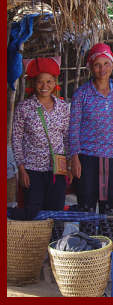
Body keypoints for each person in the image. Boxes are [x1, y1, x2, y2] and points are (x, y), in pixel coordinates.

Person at [68, 43, 113, 269]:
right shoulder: (81, 93)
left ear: (112, 65)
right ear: (91, 68)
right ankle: (87, 255)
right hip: (87, 157)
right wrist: (74, 157)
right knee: (86, 203)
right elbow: (74, 127)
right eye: (97, 64)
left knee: (111, 204)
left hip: (112, 157)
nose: (102, 68)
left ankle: (107, 256)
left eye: (106, 64)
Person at [12, 57, 70, 242]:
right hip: (32, 169)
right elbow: (16, 139)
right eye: (40, 81)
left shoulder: (62, 107)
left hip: (56, 170)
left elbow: (68, 137)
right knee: (33, 211)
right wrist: (21, 170)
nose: (44, 86)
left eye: (49, 81)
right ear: (33, 83)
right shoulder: (24, 108)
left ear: (55, 83)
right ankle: (35, 253)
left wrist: (68, 165)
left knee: (56, 212)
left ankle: (54, 251)